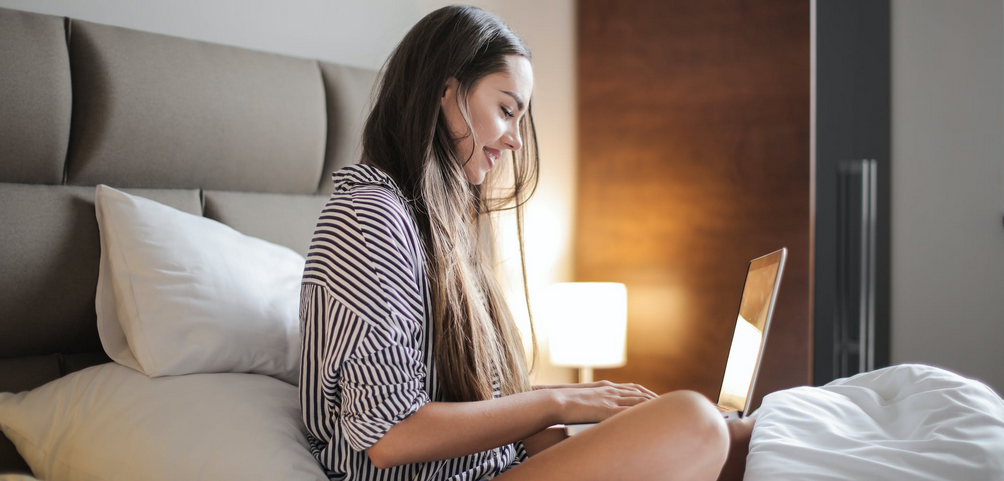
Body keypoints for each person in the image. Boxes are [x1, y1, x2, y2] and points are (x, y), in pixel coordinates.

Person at [299, 4, 754, 480]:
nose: (516, 139)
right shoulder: (368, 218)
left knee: (734, 434)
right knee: (694, 422)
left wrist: (593, 422)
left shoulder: (443, 227)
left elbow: (490, 404)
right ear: (446, 93)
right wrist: (559, 401)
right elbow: (391, 435)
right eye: (506, 110)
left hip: (501, 467)